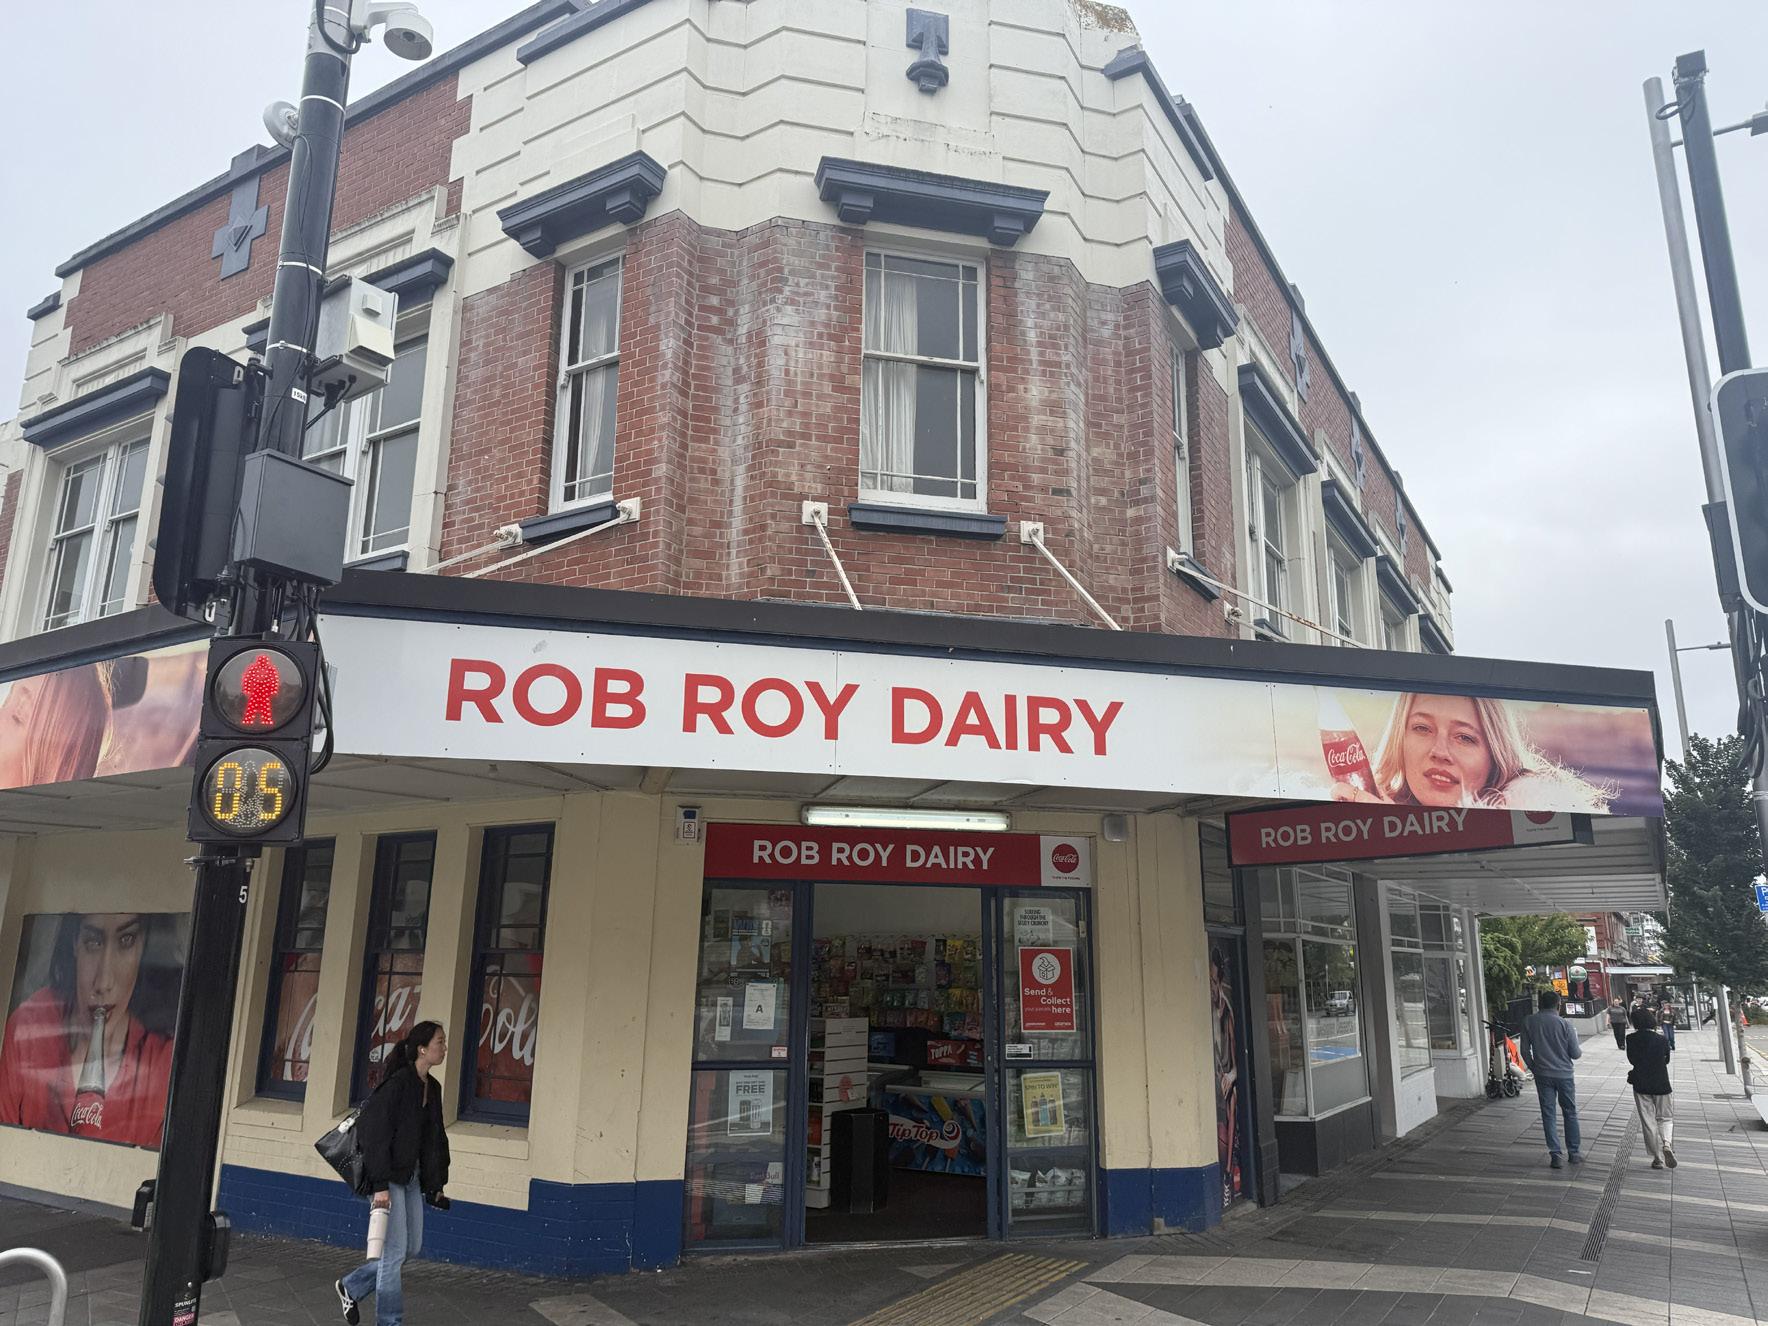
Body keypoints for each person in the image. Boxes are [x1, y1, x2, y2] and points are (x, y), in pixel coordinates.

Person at [0, 912, 175, 1148]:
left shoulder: (164, 1064)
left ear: (143, 945)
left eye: (126, 940)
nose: (103, 983)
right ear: (74, 943)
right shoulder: (29, 1028)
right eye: (93, 942)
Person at [335, 1021, 451, 1326]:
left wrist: (436, 1183)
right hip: (387, 1176)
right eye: (440, 1042)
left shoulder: (433, 1088)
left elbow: (434, 1139)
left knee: (410, 1248)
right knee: (395, 1251)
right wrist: (380, 1185)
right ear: (422, 1049)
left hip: (412, 1177)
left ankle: (352, 1285)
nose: (444, 1048)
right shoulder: (398, 1084)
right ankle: (389, 1321)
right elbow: (374, 1135)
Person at [1330, 693, 1610, 812]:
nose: (1440, 752)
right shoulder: (1364, 805)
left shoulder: (1539, 814)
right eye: (1422, 728)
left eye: (1464, 737)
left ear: (1495, 754)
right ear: (1399, 739)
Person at [1520, 989, 1583, 1169]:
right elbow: (1575, 1054)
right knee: (1570, 1112)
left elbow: (1524, 1050)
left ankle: (1555, 1153)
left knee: (1548, 1114)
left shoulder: (1529, 1021)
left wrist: (1534, 1067)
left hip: (1542, 1074)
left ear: (1540, 1004)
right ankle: (1574, 1152)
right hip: (1564, 1074)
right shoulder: (1565, 1024)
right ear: (1558, 1004)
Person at [1626, 1006, 1675, 1169]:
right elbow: (1666, 1060)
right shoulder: (1661, 1039)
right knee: (1665, 1117)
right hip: (1661, 1082)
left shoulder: (1631, 1039)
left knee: (1648, 1121)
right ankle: (1667, 1143)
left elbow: (1632, 1059)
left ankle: (1657, 1158)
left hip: (1641, 1083)